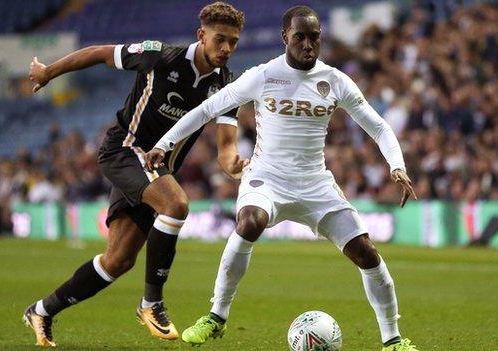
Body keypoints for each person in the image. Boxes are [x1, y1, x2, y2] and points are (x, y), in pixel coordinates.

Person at [144, 6, 420, 351]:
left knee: (367, 254)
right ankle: (216, 317)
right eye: (300, 36)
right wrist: (164, 144)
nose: (308, 44)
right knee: (249, 221)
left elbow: (378, 126)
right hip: (267, 178)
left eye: (314, 37)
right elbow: (208, 109)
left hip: (316, 183)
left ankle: (393, 340)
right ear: (285, 37)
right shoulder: (263, 75)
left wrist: (397, 165)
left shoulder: (334, 81)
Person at [23, 2, 249, 346]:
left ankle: (41, 310)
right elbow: (100, 53)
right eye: (220, 39)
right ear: (201, 35)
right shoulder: (158, 56)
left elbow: (226, 147)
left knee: (118, 261)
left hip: (155, 173)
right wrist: (48, 72)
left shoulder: (227, 86)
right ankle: (151, 303)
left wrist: (236, 164)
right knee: (175, 205)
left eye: (233, 42)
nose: (227, 49)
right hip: (124, 151)